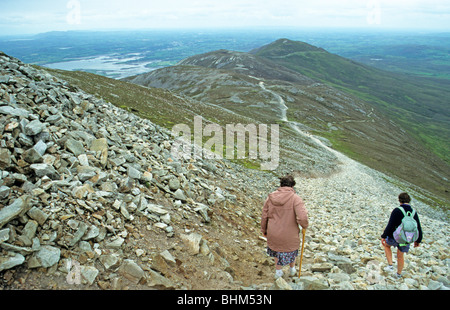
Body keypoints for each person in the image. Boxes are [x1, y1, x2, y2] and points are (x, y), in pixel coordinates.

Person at [261, 175, 309, 279]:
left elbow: (264, 215)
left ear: (281, 185)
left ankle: (278, 272)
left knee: (277, 250)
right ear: (292, 186)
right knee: (291, 249)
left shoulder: (270, 197)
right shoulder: (295, 198)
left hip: (273, 232)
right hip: (290, 233)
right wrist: (304, 226)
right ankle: (292, 270)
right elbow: (302, 216)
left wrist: (264, 230)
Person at [381, 192, 423, 278]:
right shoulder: (414, 212)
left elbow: (391, 225)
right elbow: (418, 227)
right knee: (400, 256)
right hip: (406, 238)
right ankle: (399, 274)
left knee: (386, 245)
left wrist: (384, 236)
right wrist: (418, 240)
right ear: (409, 200)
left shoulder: (397, 210)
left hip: (394, 237)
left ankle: (390, 265)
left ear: (399, 200)